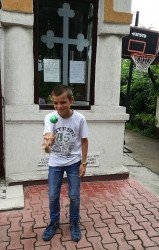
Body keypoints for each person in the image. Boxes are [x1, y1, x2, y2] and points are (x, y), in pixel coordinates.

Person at [42, 85, 89, 242]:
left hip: (74, 162)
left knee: (74, 196)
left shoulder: (80, 119)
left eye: (63, 102)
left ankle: (74, 222)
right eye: (55, 103)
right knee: (53, 195)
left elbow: (84, 140)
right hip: (55, 163)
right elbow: (47, 138)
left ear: (71, 100)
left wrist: (83, 162)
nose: (59, 106)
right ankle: (54, 222)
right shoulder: (50, 117)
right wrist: (48, 141)